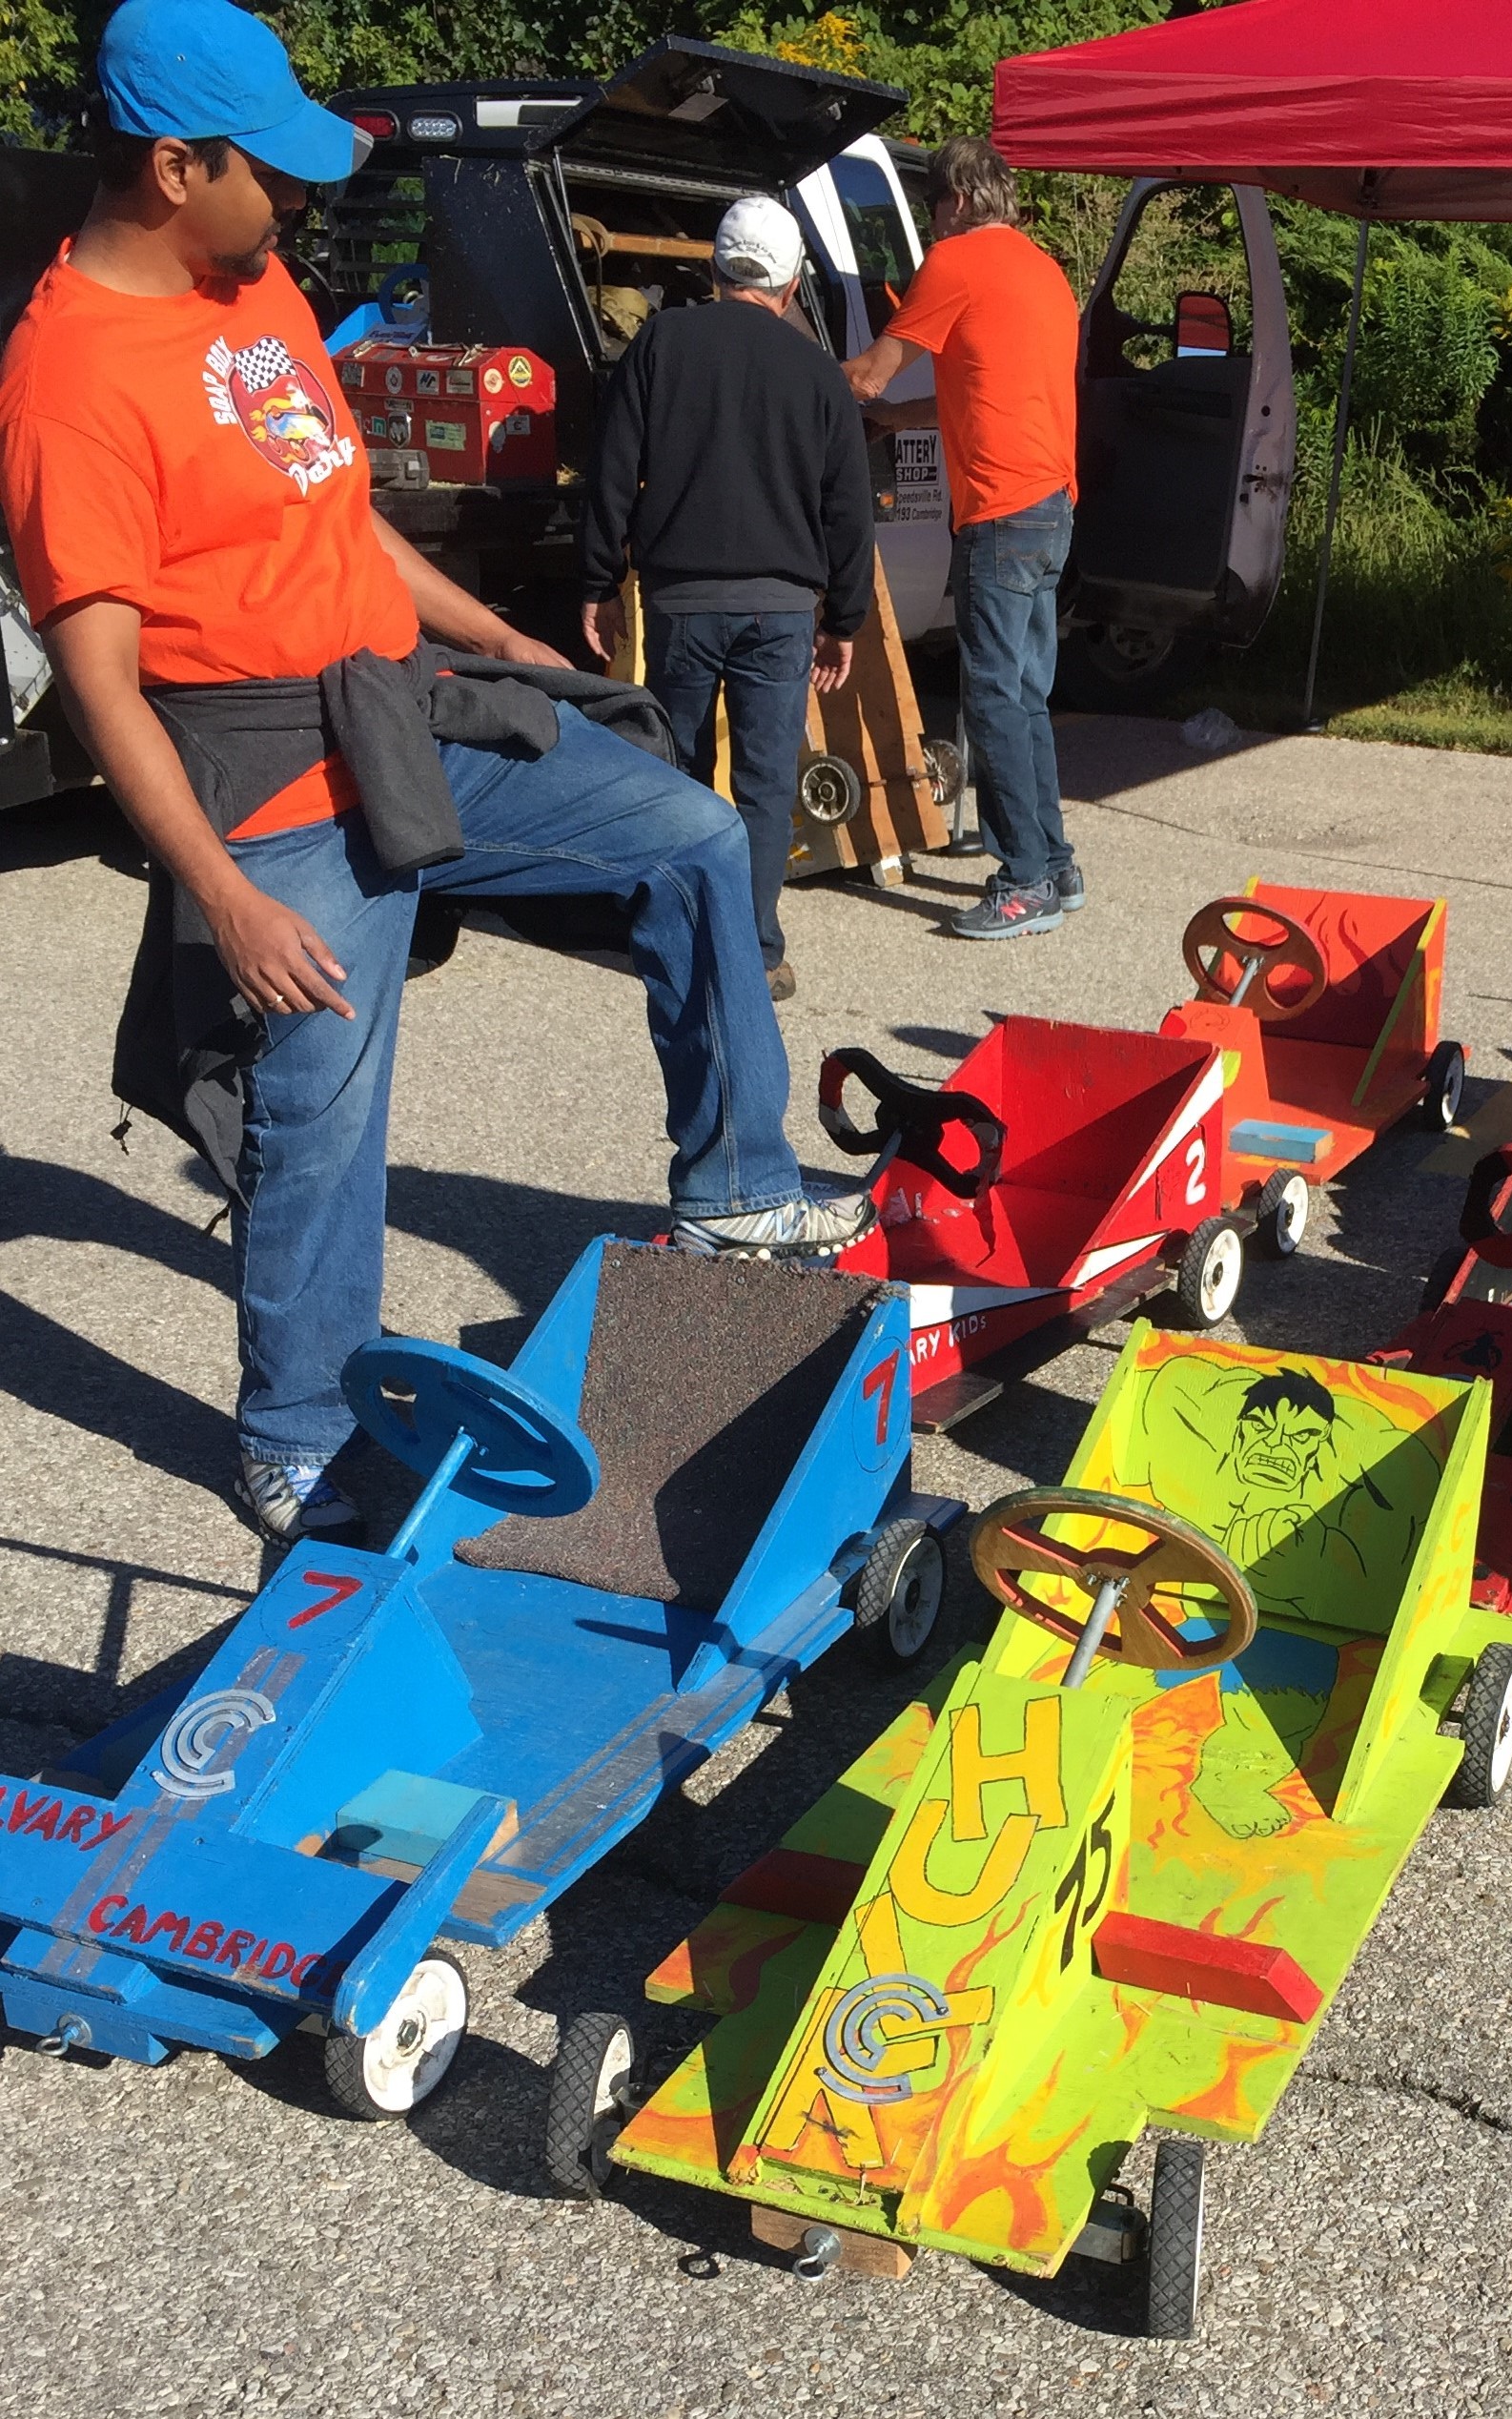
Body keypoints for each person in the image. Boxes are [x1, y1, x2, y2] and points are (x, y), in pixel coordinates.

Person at [0, 0, 872, 1548]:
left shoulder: (249, 283)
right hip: (260, 772)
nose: (298, 201)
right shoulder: (68, 378)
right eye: (266, 169)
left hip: (397, 702)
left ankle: (736, 1187)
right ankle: (294, 1436)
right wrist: (223, 899)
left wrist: (514, 654)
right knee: (323, 1088)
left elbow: (350, 524)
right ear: (171, 165)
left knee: (682, 832)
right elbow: (102, 686)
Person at [579, 195, 874, 1004]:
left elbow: (613, 468)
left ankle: (672, 933)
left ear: (713, 270)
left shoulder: (661, 342)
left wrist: (600, 581)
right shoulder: (816, 370)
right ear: (789, 283)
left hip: (681, 600)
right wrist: (843, 617)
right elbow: (847, 505)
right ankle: (755, 949)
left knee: (675, 770)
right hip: (780, 610)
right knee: (764, 781)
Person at [843, 137, 1083, 941]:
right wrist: (889, 421)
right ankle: (1054, 861)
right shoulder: (1042, 271)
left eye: (932, 208)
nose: (931, 223)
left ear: (953, 201)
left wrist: (782, 370)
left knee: (989, 697)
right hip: (1050, 504)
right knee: (1023, 694)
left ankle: (1022, 884)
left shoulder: (953, 264)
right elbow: (978, 393)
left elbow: (871, 372)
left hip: (999, 512)